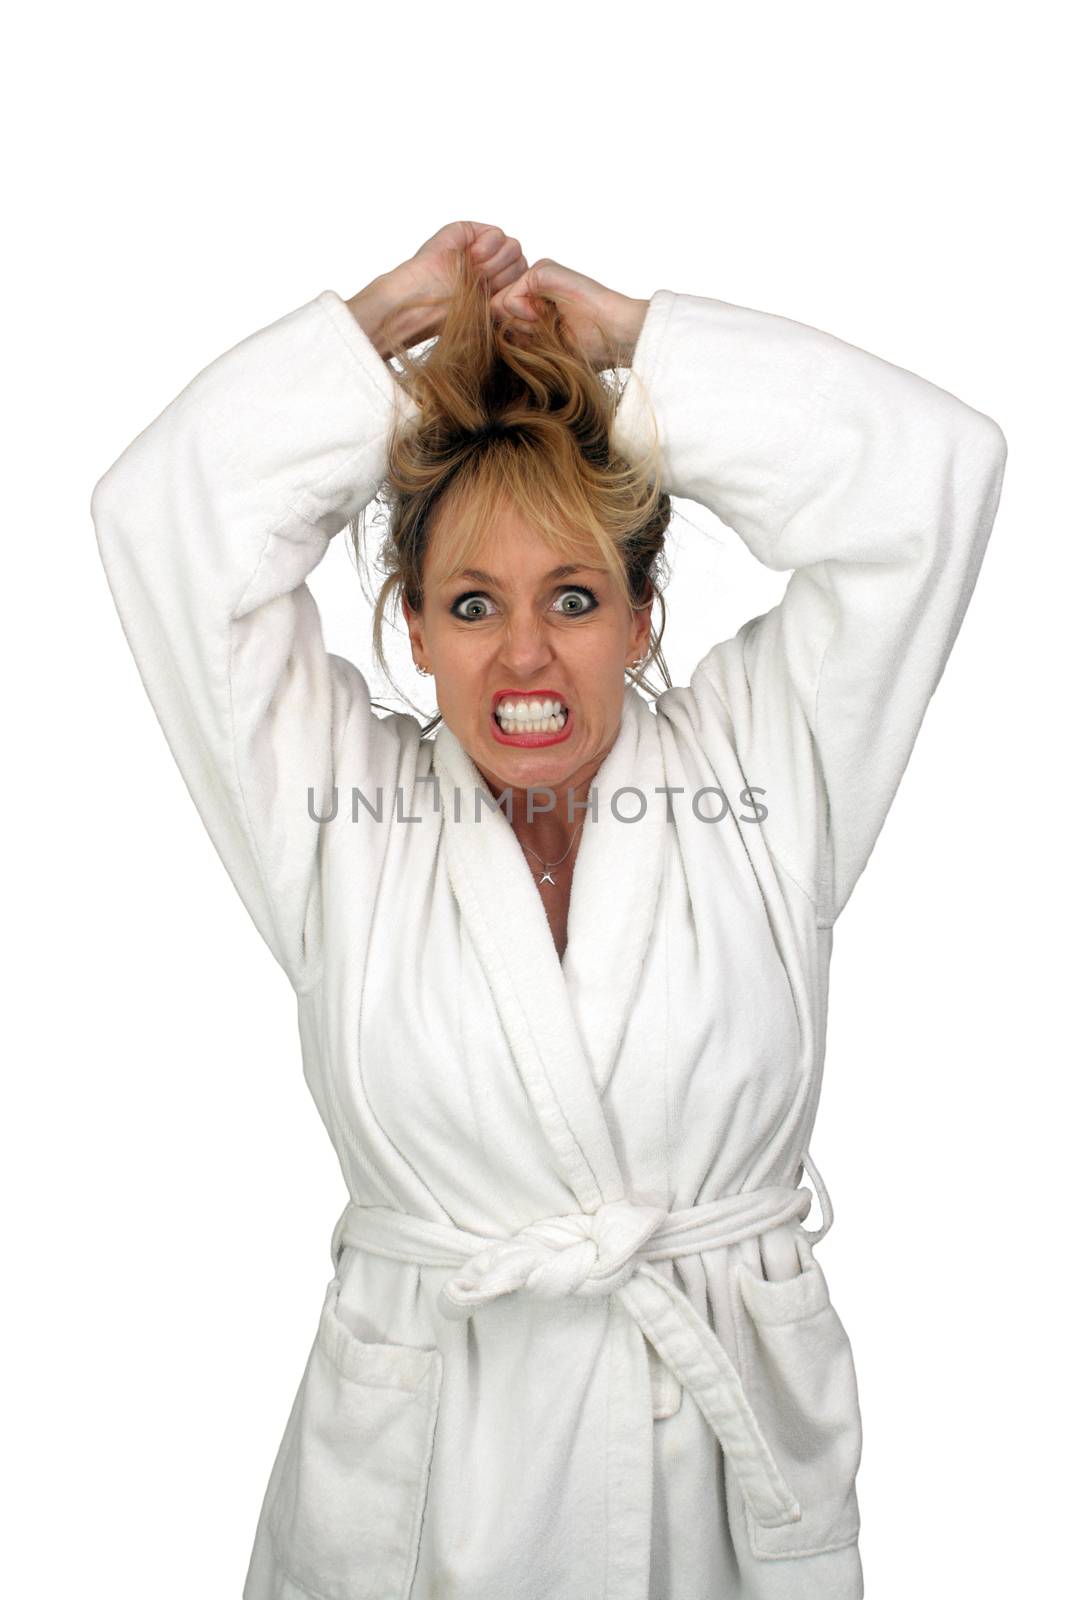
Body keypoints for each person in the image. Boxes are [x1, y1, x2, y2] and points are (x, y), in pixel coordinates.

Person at [90, 220, 1008, 1600]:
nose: (525, 655)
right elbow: (165, 521)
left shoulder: (768, 776)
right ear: (411, 627)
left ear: (643, 616)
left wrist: (641, 352)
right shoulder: (337, 825)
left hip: (708, 1485)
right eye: (472, 603)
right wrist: (383, 337)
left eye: (574, 596)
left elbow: (935, 478)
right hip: (427, 1494)